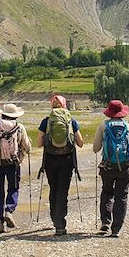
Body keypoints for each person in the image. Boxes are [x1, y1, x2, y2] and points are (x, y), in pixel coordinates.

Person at [37, 94, 84, 236]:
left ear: (52, 106)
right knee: (62, 191)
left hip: (50, 160)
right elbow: (80, 143)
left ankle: (55, 219)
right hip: (67, 160)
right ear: (64, 106)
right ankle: (60, 224)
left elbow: (39, 143)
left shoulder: (46, 121)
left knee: (53, 189)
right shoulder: (71, 121)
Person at [0, 103, 31, 234]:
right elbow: (26, 147)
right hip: (13, 164)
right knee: (13, 188)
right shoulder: (19, 127)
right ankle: (9, 210)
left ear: (2, 114)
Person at [92, 99, 129, 238]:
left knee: (107, 193)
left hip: (108, 167)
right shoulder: (128, 127)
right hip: (125, 167)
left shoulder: (104, 126)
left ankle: (105, 223)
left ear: (109, 112)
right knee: (121, 196)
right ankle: (116, 228)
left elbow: (96, 148)